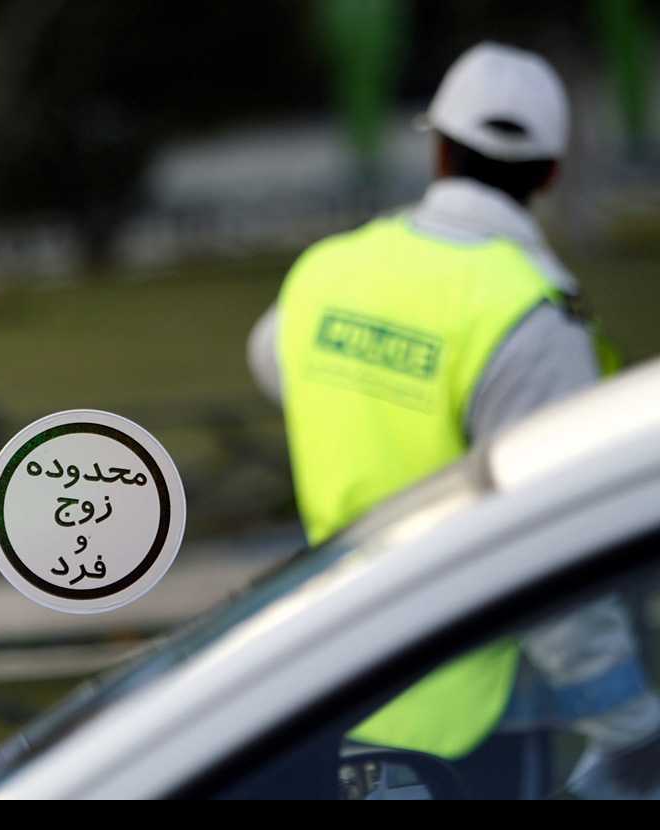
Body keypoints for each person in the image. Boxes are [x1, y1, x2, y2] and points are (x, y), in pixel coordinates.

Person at [248, 41, 660, 798]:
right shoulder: (528, 313)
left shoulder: (326, 270)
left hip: (335, 686)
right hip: (475, 736)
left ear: (438, 149)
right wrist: (631, 726)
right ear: (549, 171)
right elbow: (549, 552)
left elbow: (271, 360)